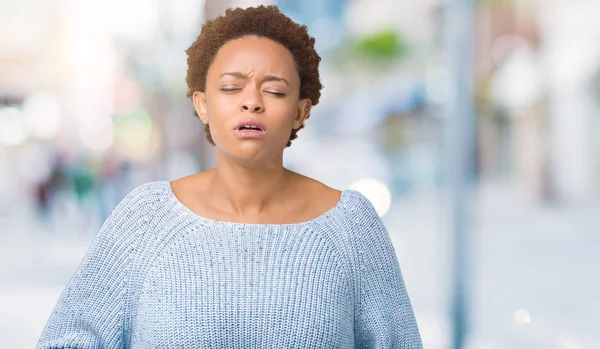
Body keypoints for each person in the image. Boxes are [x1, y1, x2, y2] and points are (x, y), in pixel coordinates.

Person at [37, 5, 422, 348]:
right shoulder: (145, 220)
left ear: (301, 112)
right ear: (202, 105)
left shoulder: (352, 226)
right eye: (230, 87)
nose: (250, 101)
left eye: (273, 90)